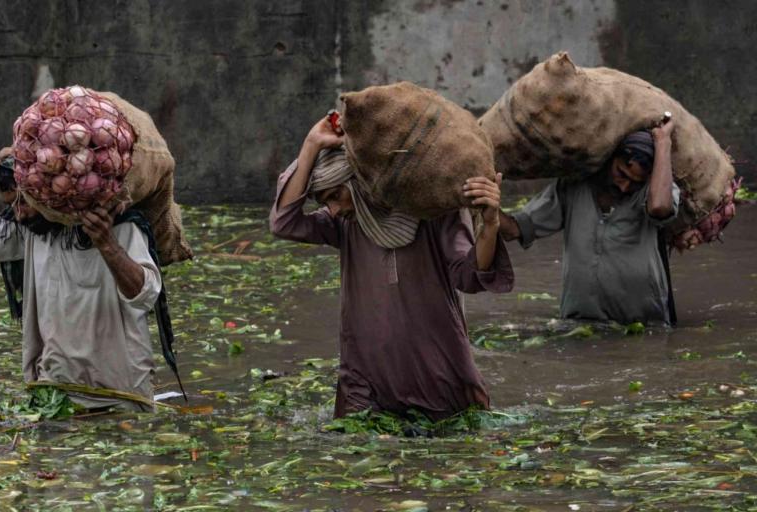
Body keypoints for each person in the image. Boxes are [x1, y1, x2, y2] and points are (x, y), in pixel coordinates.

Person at [270, 115, 515, 421]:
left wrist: (489, 224)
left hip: (436, 375)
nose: (332, 209)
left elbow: (469, 275)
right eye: (324, 201)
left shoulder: (434, 212)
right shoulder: (344, 224)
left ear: (360, 184)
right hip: (365, 384)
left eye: (335, 195)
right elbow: (284, 223)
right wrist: (311, 144)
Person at [0, 148, 164, 411]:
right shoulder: (31, 232)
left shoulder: (118, 228)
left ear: (49, 196)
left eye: (24, 202)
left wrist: (106, 244)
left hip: (120, 397)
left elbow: (147, 294)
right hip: (54, 395)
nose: (19, 214)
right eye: (12, 204)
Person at [496, 120, 678, 325]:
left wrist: (663, 142)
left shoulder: (655, 190)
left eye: (636, 182)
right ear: (609, 159)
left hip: (645, 325)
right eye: (621, 174)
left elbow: (660, 207)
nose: (625, 186)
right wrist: (487, 205)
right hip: (580, 324)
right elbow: (513, 229)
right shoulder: (573, 187)